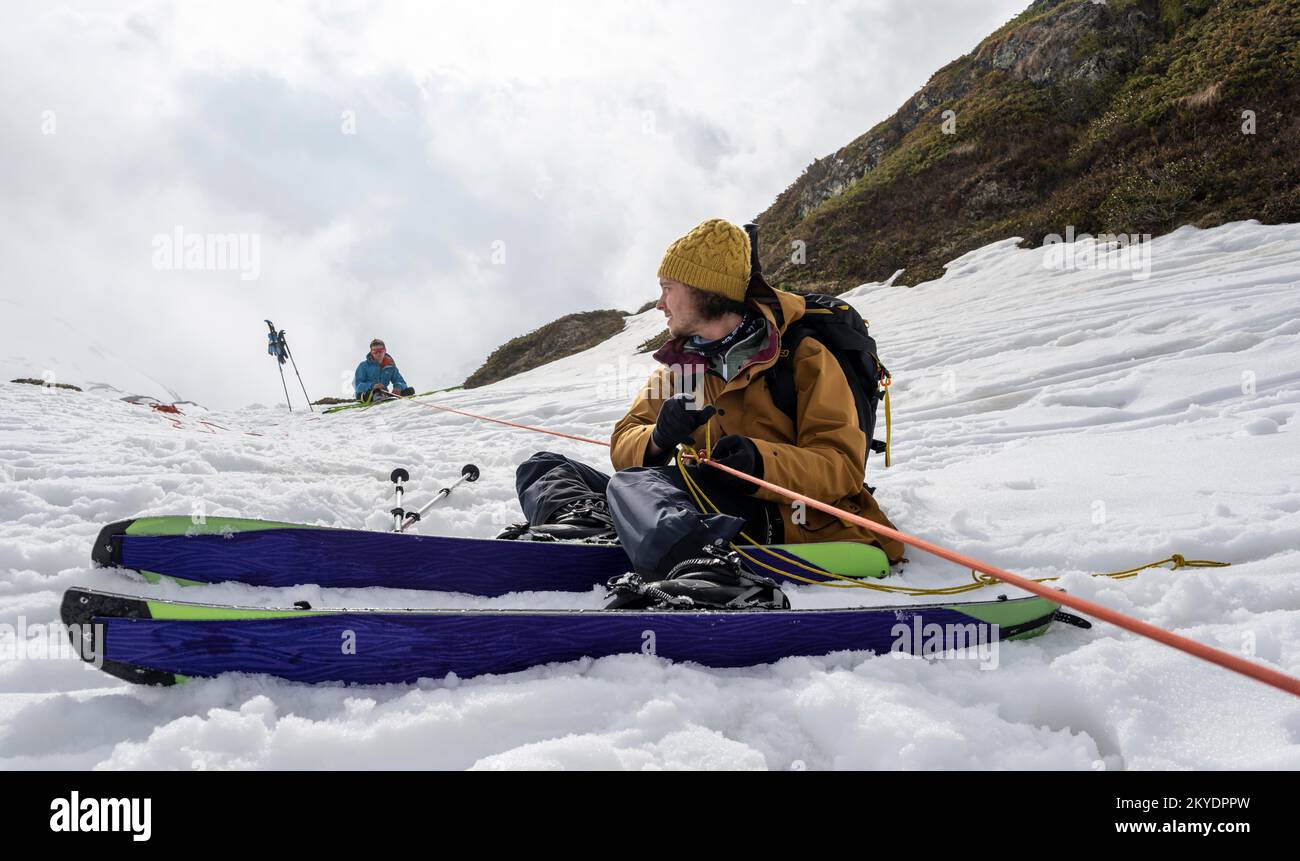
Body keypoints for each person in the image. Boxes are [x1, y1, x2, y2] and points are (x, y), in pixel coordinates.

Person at [503, 218, 903, 607]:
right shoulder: (683, 366)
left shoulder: (803, 355)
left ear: (705, 291)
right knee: (544, 467)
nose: (659, 303)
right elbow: (625, 442)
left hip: (788, 514)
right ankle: (597, 530)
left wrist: (759, 462)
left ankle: (714, 575)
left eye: (667, 288)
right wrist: (658, 438)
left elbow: (842, 467)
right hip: (700, 502)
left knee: (632, 488)